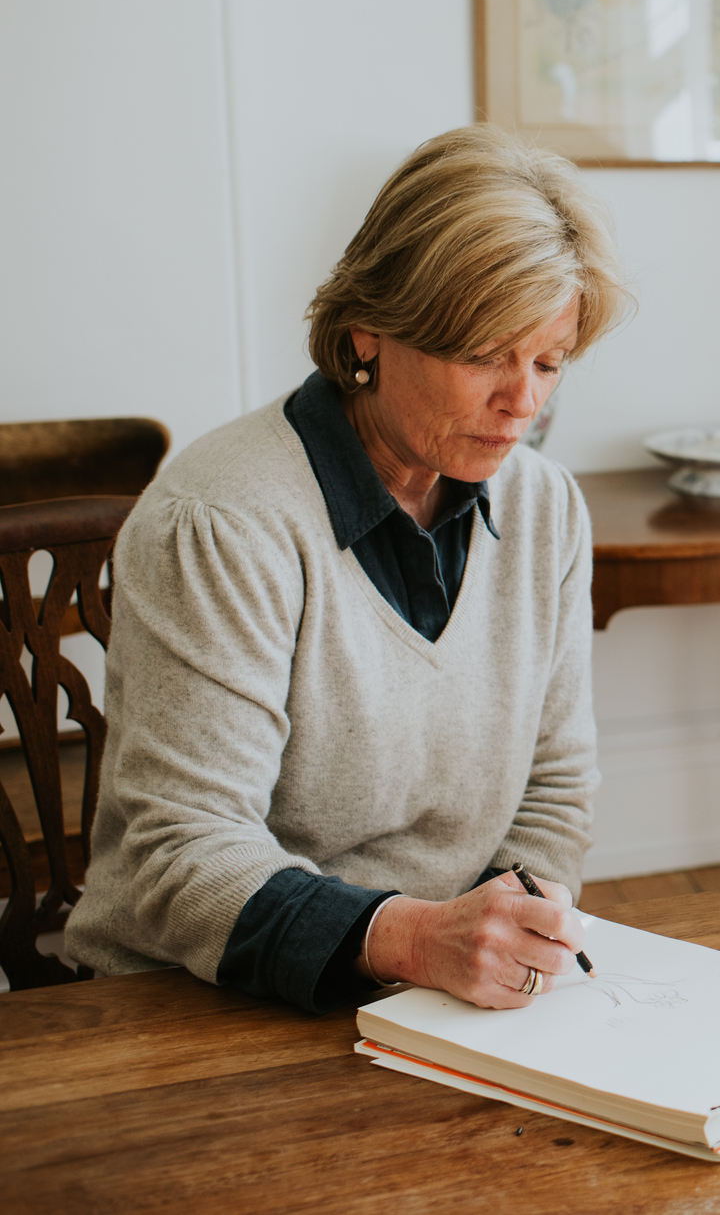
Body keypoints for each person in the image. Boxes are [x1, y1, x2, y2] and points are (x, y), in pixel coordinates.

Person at [70, 125, 631, 1014]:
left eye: (549, 362)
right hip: (187, 1004)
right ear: (369, 333)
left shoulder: (545, 509)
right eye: (485, 354)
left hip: (425, 1005)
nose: (521, 401)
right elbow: (185, 856)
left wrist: (500, 936)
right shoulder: (222, 523)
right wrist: (417, 940)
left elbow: (555, 789)